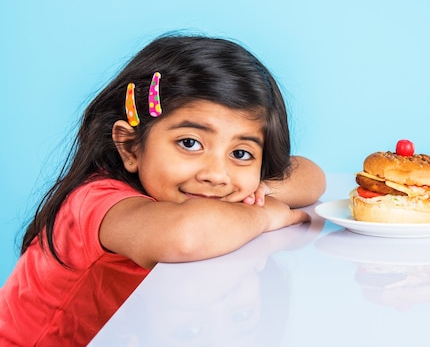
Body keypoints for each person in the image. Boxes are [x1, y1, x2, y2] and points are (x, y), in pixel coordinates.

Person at [0, 34, 326, 345]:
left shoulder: (221, 184)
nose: (217, 174)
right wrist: (264, 214)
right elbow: (185, 237)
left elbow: (312, 176)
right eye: (190, 143)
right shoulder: (96, 200)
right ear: (130, 147)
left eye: (241, 153)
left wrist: (261, 186)